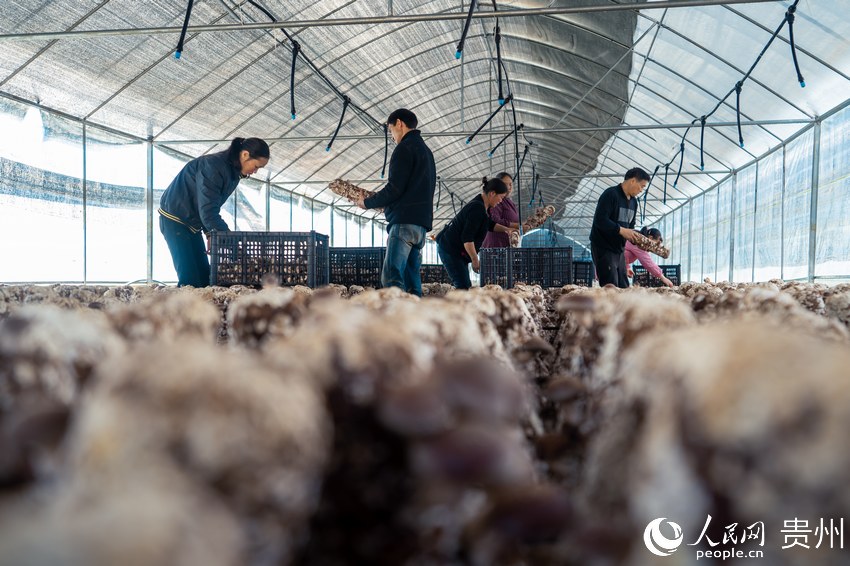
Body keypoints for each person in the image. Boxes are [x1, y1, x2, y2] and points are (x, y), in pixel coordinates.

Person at [159, 137, 270, 287]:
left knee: (204, 278)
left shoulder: (233, 173)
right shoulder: (213, 166)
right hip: (176, 220)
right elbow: (208, 211)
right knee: (190, 280)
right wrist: (234, 247)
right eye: (256, 166)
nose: (255, 171)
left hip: (192, 224)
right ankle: (183, 309)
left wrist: (210, 233)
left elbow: (208, 204)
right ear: (245, 155)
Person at [356, 109, 436, 297]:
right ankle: (415, 319)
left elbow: (395, 188)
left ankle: (397, 321)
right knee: (411, 280)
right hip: (420, 226)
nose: (392, 136)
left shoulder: (404, 148)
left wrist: (366, 202)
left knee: (392, 279)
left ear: (399, 123)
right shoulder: (427, 151)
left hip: (404, 224)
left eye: (391, 130)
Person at [435, 177, 517, 289]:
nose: (501, 201)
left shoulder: (482, 206)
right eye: (501, 197)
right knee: (463, 285)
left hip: (455, 250)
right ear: (492, 193)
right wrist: (475, 259)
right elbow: (467, 238)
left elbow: (490, 224)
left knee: (464, 284)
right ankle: (457, 305)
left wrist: (507, 230)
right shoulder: (477, 208)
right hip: (450, 249)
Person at [589, 167, 650, 288]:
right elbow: (600, 220)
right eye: (641, 186)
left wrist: (638, 240)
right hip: (604, 247)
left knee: (624, 286)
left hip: (619, 249)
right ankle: (608, 307)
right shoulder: (611, 194)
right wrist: (621, 230)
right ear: (633, 181)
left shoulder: (634, 202)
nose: (641, 190)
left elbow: (630, 226)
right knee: (611, 286)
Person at [481, 172, 520, 248]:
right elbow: (494, 220)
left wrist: (512, 228)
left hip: (506, 244)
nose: (510, 187)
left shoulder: (509, 202)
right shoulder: (496, 201)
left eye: (511, 184)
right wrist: (514, 226)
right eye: (506, 184)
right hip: (496, 245)